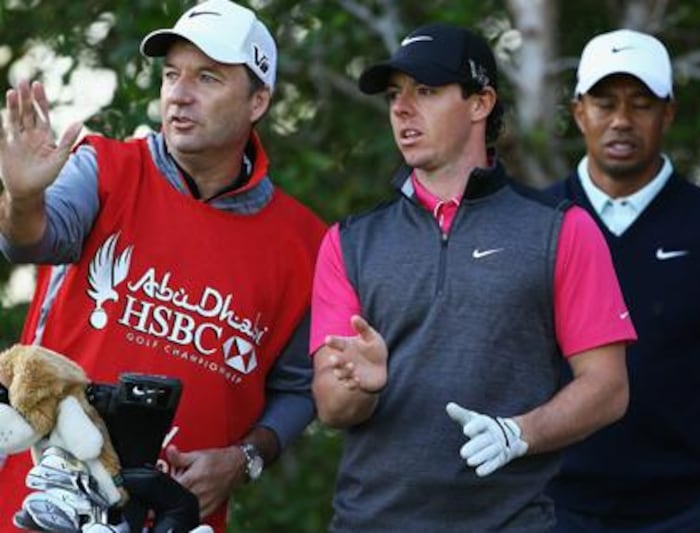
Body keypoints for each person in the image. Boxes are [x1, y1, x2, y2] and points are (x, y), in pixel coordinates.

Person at [0, 0, 326, 531]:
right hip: (42, 509)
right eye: (172, 74)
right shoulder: (104, 167)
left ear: (258, 100)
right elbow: (29, 243)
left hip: (179, 517)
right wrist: (21, 198)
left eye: (208, 78)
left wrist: (245, 460)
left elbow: (299, 389)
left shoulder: (306, 243)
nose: (179, 92)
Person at [310, 22, 637, 532]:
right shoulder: (349, 240)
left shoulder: (562, 230)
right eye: (395, 94)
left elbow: (609, 388)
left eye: (426, 91)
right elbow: (332, 406)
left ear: (480, 103)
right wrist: (364, 385)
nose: (401, 108)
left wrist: (520, 433)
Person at [546, 29, 700, 531]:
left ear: (668, 114)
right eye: (604, 103)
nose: (621, 120)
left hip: (680, 516)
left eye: (641, 104)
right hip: (548, 514)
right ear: (579, 112)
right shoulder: (531, 224)